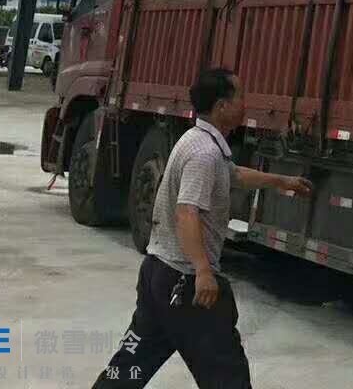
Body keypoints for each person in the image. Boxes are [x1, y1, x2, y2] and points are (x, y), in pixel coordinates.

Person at [93, 68, 312, 387]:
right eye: (240, 97)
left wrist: (281, 181)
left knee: (128, 367)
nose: (245, 104)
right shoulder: (204, 153)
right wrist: (203, 271)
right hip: (185, 284)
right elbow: (187, 212)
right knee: (227, 376)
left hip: (157, 274)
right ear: (222, 106)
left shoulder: (197, 141)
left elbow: (232, 174)